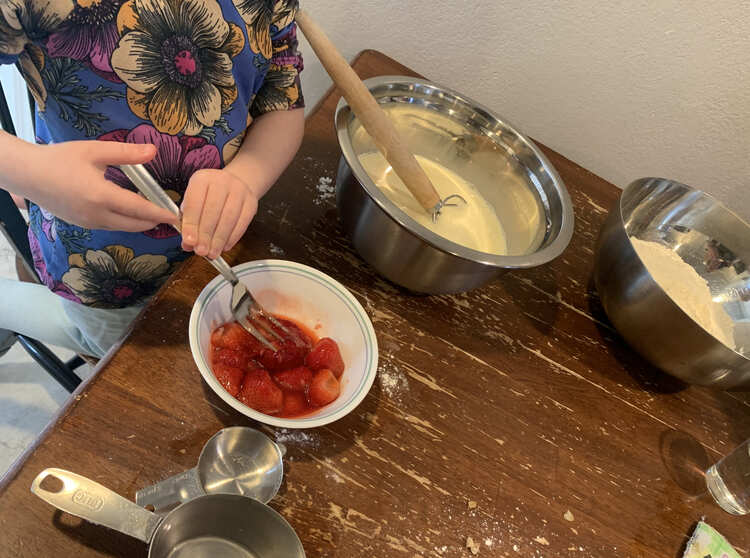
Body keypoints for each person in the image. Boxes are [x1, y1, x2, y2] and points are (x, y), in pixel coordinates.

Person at [0, 0, 305, 358]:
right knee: (106, 350)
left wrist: (246, 178)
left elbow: (281, 96)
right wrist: (30, 171)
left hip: (222, 240)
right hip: (96, 267)